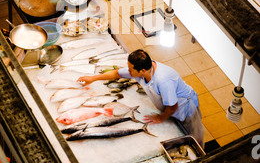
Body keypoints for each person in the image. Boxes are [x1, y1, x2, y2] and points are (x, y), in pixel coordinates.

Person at [77, 49, 205, 148]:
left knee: (193, 136)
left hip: (185, 107)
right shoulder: (142, 71)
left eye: (131, 69)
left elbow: (173, 107)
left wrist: (160, 118)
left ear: (142, 70)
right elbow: (117, 73)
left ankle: (202, 157)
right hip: (169, 105)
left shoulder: (163, 80)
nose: (129, 71)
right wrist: (92, 78)